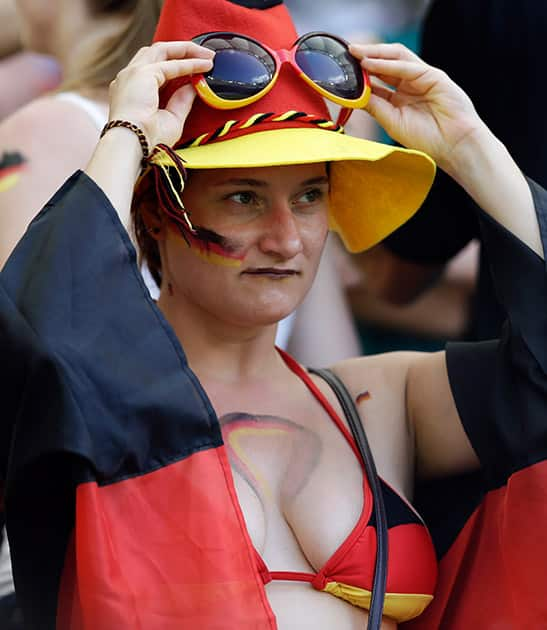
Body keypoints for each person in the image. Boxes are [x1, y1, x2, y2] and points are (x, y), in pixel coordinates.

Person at [1, 1, 546, 629]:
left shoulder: (382, 400)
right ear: (155, 209)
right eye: (244, 197)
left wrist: (474, 149)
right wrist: (125, 140)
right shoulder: (96, 401)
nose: (287, 239)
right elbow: (35, 335)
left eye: (310, 196)